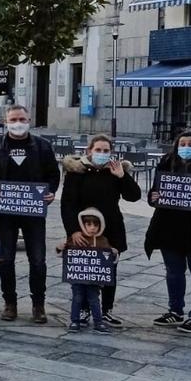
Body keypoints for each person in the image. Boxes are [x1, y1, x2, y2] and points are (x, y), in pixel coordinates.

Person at [0, 104, 60, 323]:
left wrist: (51, 192)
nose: (18, 123)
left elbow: (53, 174)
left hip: (33, 212)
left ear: (29, 120)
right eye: (13, 119)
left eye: (21, 119)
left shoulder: (42, 146)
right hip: (5, 213)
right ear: (6, 122)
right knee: (6, 259)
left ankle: (38, 305)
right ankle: (10, 303)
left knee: (38, 260)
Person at [60, 134, 141, 327]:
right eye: (98, 150)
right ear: (89, 151)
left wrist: (123, 177)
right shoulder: (76, 172)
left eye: (106, 151)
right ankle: (84, 309)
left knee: (109, 272)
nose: (102, 154)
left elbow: (134, 196)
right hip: (83, 229)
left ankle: (106, 310)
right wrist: (73, 231)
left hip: (111, 229)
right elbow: (67, 204)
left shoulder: (115, 171)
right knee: (84, 271)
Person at [145, 131, 191, 333]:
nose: (186, 147)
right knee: (174, 273)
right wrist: (154, 197)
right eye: (183, 143)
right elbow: (154, 194)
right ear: (177, 146)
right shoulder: (166, 165)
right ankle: (175, 311)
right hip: (170, 229)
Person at [59, 208, 117, 333]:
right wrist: (60, 248)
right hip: (78, 278)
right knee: (77, 298)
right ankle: (75, 320)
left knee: (94, 299)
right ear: (82, 224)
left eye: (95, 225)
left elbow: (109, 259)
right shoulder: (76, 238)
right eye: (89, 224)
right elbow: (65, 253)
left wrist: (113, 253)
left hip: (94, 280)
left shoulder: (103, 240)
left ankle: (98, 322)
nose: (92, 228)